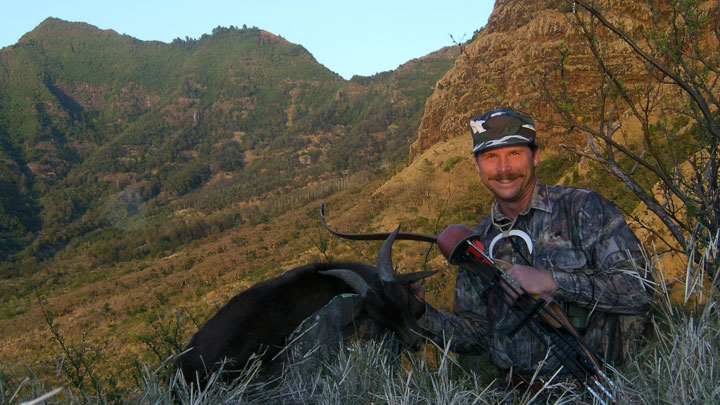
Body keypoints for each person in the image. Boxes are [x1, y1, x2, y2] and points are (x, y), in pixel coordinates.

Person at [416, 107, 654, 383]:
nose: (503, 169)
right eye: (491, 156)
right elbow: (476, 336)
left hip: (601, 388)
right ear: (477, 164)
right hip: (519, 396)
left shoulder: (584, 209)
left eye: (514, 153)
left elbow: (641, 291)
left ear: (535, 156)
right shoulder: (477, 242)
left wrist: (553, 281)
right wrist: (419, 313)